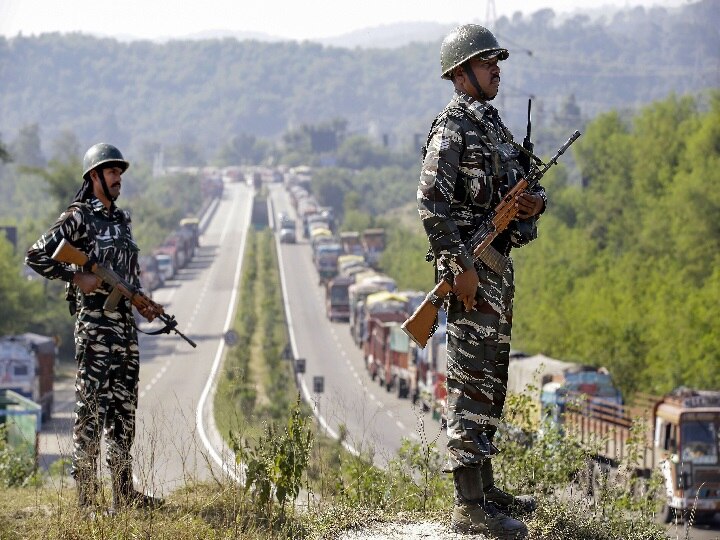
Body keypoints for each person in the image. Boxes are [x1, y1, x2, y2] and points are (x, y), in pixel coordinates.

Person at [417, 25, 547, 538]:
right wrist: (459, 268)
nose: (496, 68)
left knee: (491, 385)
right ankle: (469, 509)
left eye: (497, 61)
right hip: (470, 275)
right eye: (486, 61)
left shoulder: (492, 126)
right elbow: (431, 205)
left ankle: (488, 492)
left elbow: (523, 189)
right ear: (460, 72)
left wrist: (533, 205)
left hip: (497, 269)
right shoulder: (452, 129)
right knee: (469, 385)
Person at [26, 143, 163, 514]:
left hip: (123, 329)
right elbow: (36, 254)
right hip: (95, 329)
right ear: (94, 177)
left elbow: (125, 276)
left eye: (120, 172)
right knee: (90, 411)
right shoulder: (78, 217)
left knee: (123, 411)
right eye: (112, 171)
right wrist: (75, 275)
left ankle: (124, 493)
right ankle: (87, 500)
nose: (119, 178)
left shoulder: (121, 220)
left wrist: (141, 301)